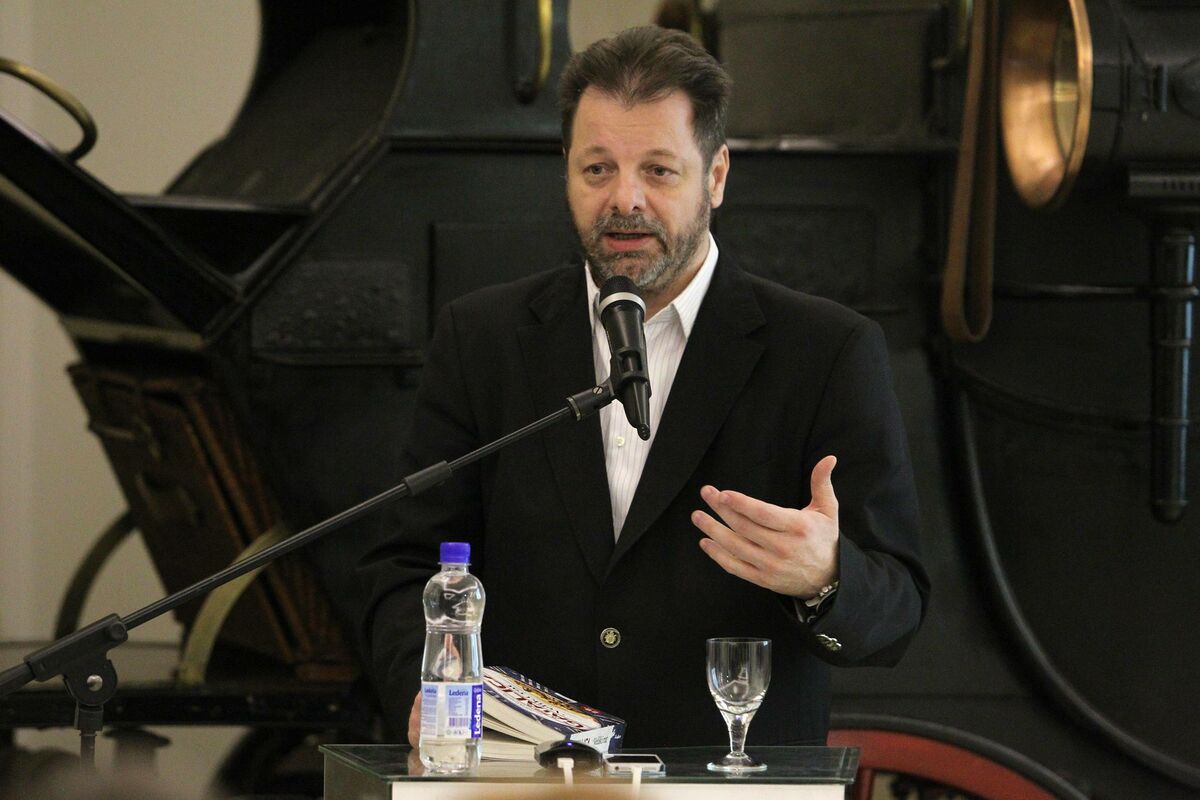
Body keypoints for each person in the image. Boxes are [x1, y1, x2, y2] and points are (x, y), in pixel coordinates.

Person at [359, 25, 928, 749]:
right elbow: (407, 566)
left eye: (658, 170)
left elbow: (897, 611)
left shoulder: (825, 351)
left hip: (728, 782)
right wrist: (424, 686)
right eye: (598, 169)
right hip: (522, 777)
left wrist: (825, 577)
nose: (624, 199)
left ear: (715, 176)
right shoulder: (483, 339)